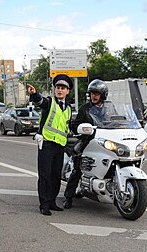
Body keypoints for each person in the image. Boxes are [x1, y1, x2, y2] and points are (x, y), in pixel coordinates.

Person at [27, 74, 73, 216]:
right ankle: (44, 204)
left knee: (55, 176)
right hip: (47, 144)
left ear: (68, 91)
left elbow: (67, 127)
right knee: (45, 175)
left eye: (63, 88)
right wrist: (34, 94)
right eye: (58, 87)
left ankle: (52, 201)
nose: (60, 90)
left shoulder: (69, 108)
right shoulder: (50, 102)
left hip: (60, 145)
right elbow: (40, 102)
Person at [63, 79, 108, 209]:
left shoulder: (109, 108)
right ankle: (68, 197)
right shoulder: (85, 109)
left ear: (103, 95)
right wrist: (83, 129)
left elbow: (117, 120)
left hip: (103, 141)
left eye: (97, 94)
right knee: (78, 168)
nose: (94, 96)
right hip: (87, 141)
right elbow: (76, 125)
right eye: (92, 93)